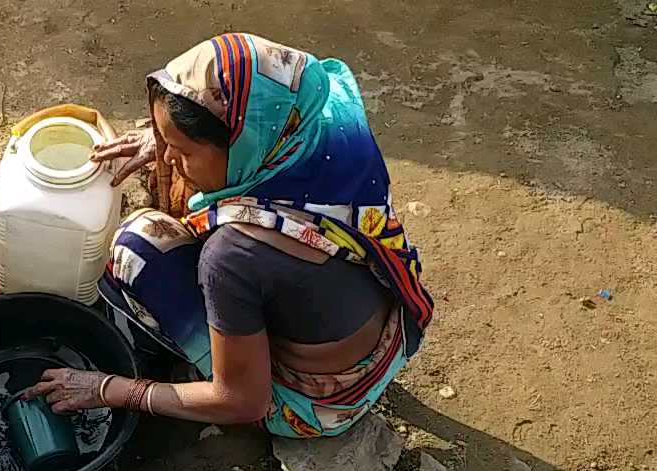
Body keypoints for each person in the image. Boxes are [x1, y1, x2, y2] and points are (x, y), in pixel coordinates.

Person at [28, 33, 433, 439]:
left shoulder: (234, 255)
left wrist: (109, 389)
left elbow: (242, 401)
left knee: (136, 246)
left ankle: (196, 360)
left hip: (317, 405)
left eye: (182, 150)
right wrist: (168, 139)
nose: (169, 158)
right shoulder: (324, 127)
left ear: (242, 142)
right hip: (389, 340)